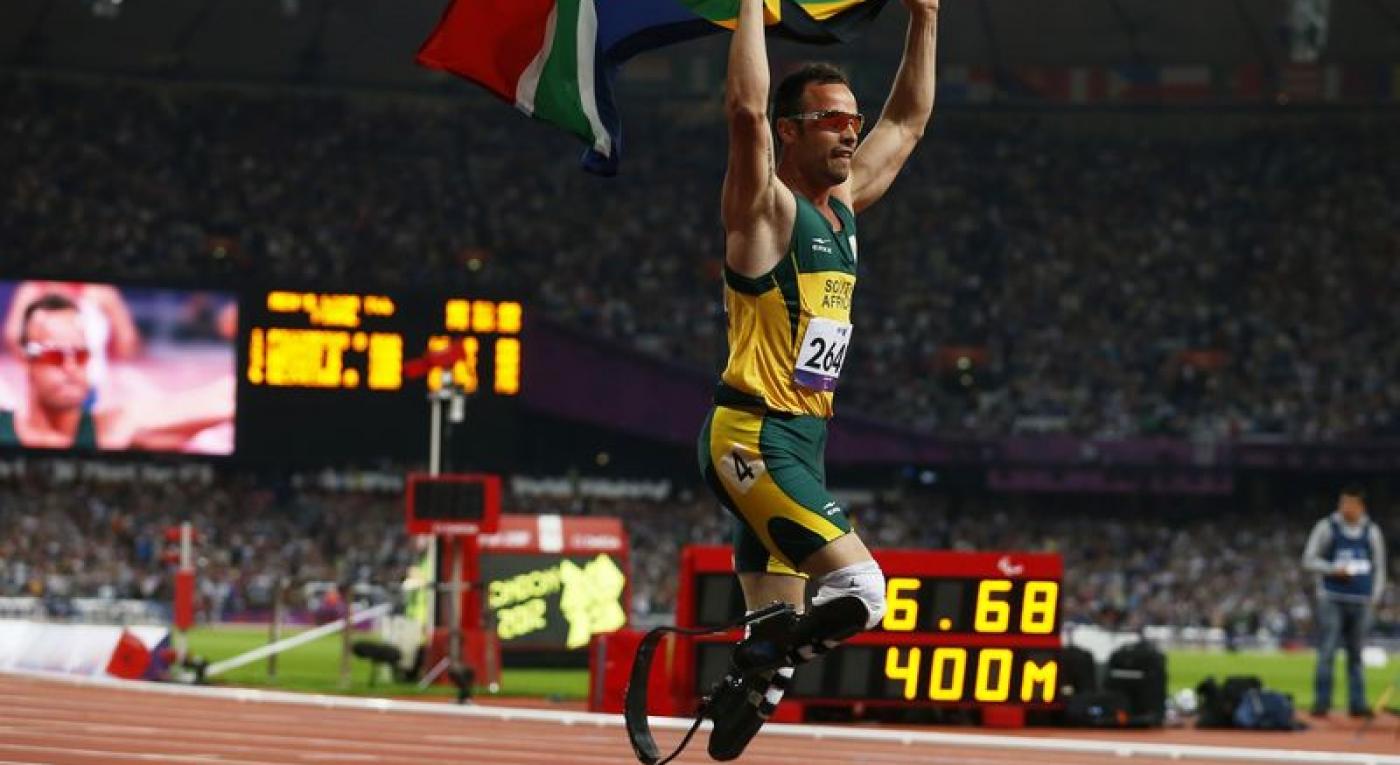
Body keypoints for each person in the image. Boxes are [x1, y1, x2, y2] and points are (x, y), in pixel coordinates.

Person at [694, 0, 939, 758]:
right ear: (790, 130)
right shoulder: (766, 211)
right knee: (863, 595)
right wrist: (752, 9)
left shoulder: (844, 210)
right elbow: (743, 110)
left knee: (776, 637)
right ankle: (754, 664)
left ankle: (754, 673)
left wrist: (925, 15)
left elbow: (908, 124)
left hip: (805, 442)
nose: (851, 131)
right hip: (753, 437)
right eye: (832, 119)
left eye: (851, 119)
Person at [0, 293, 234, 451]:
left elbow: (223, 397)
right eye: (55, 356)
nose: (71, 368)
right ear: (25, 359)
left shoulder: (114, 428)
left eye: (81, 355)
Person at [1301, 484, 1387, 718]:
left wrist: (1374, 597)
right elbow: (1308, 559)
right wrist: (1332, 570)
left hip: (1361, 600)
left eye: (1349, 503)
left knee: (1356, 654)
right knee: (1327, 650)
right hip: (1332, 597)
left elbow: (1379, 567)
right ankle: (1322, 702)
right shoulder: (1327, 527)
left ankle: (1357, 703)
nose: (1344, 508)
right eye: (1342, 503)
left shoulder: (1371, 531)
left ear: (1360, 505)